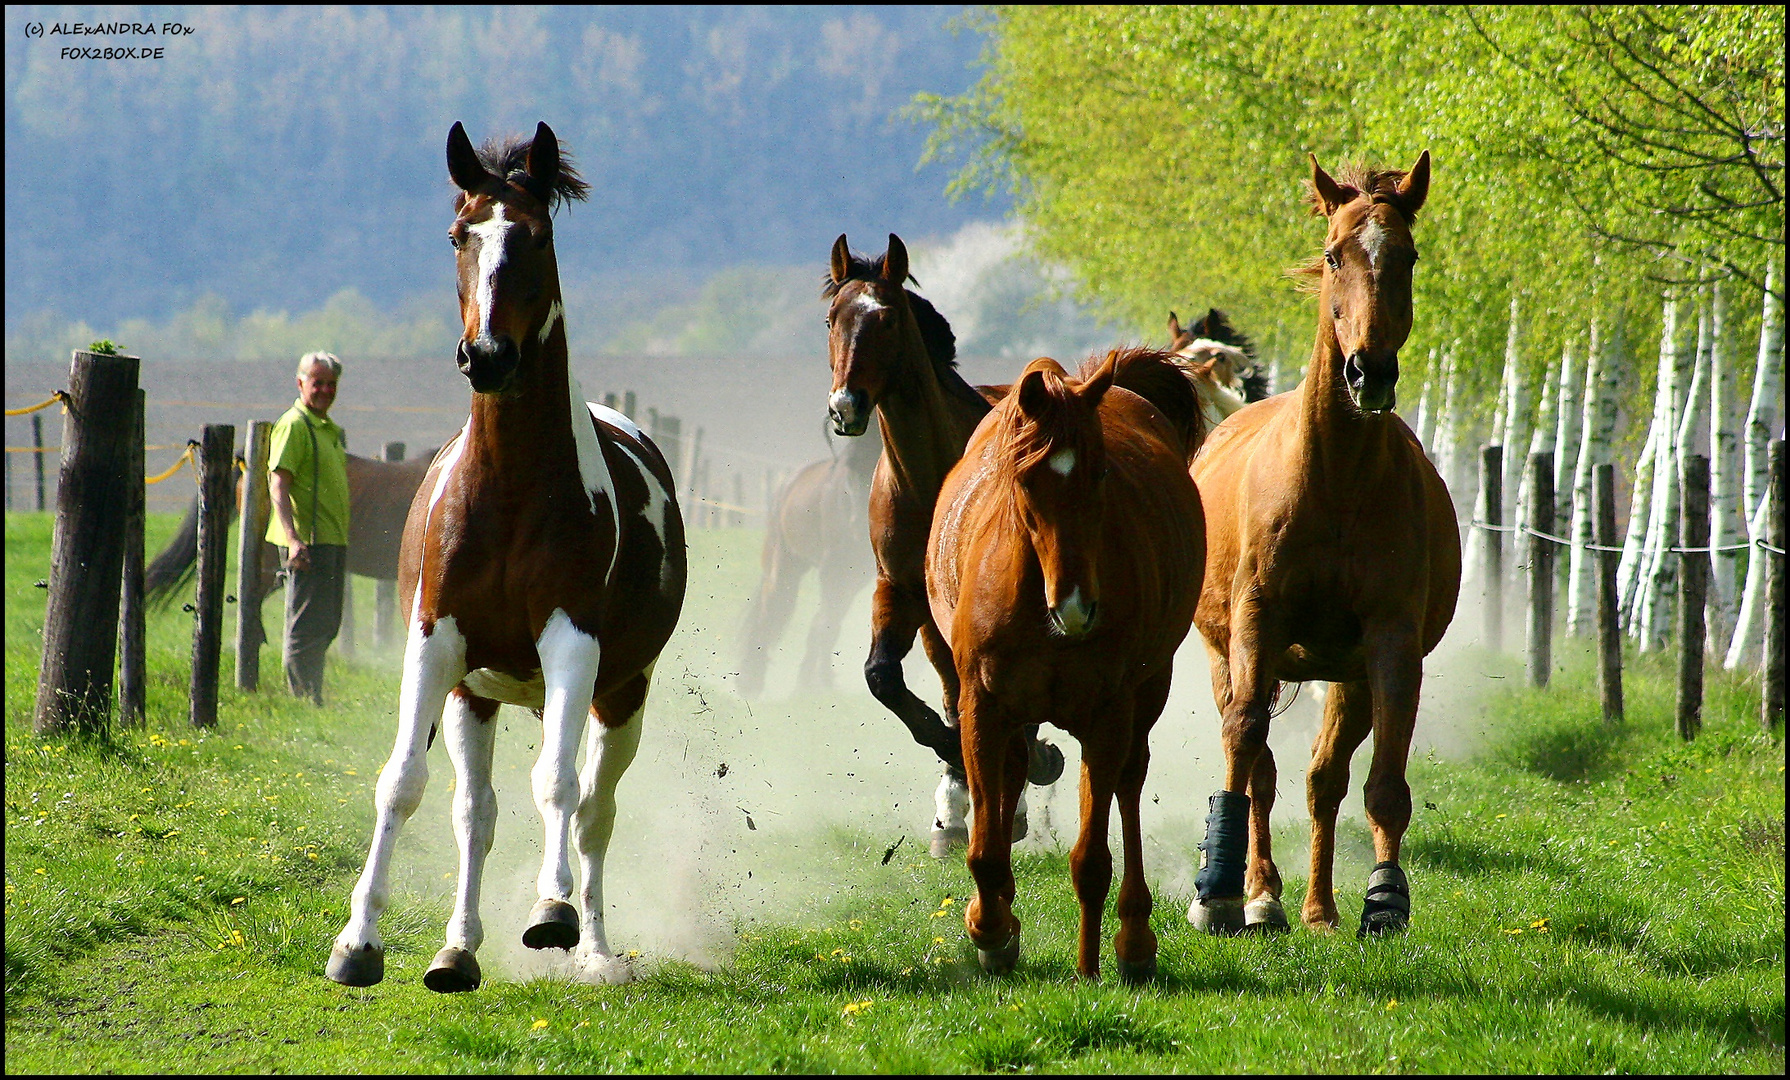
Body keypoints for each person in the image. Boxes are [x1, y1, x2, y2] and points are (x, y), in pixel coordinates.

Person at [266, 351, 350, 705]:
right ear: (300, 383)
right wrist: (293, 539)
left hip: (331, 540)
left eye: (331, 384)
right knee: (305, 626)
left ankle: (311, 692)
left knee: (327, 623)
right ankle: (302, 699)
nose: (326, 390)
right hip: (308, 543)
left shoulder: (328, 429)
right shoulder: (295, 425)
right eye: (318, 383)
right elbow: (278, 484)